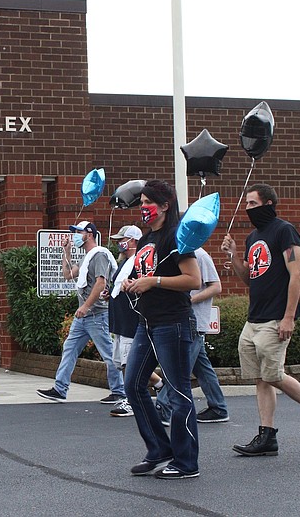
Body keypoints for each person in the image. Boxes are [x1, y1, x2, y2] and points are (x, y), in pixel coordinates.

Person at [221, 183, 300, 456]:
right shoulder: (252, 238)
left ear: (269, 204)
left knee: (273, 374)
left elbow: (296, 274)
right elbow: (249, 278)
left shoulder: (284, 231)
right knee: (262, 378)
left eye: (252, 203)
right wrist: (234, 255)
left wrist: (288, 317)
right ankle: (267, 436)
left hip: (276, 318)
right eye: (247, 204)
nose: (248, 209)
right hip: (255, 317)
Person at [121, 179, 202, 480]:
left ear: (165, 205)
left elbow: (192, 279)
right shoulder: (145, 240)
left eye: (147, 202)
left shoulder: (177, 236)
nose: (142, 207)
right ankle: (158, 449)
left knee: (179, 393)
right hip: (148, 321)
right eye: (140, 202)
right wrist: (135, 284)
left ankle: (186, 462)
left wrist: (152, 282)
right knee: (133, 385)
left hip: (173, 323)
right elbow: (148, 275)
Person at [37, 221, 125, 404]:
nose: (75, 235)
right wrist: (66, 253)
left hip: (97, 314)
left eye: (78, 232)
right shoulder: (86, 258)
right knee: (69, 349)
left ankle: (119, 391)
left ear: (89, 234)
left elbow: (101, 283)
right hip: (84, 317)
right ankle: (60, 389)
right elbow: (68, 274)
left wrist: (85, 307)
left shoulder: (99, 255)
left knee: (108, 353)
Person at [156, 247, 229, 425]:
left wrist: (192, 299)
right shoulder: (179, 252)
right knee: (201, 366)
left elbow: (216, 286)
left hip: (194, 320)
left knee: (179, 366)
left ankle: (163, 406)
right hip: (183, 317)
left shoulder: (201, 255)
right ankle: (218, 407)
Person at [107, 224, 164, 418]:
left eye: (122, 240)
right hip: (120, 321)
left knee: (128, 363)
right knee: (123, 361)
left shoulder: (138, 262)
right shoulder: (124, 262)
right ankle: (159, 384)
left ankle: (131, 400)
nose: (119, 244)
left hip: (131, 321)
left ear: (133, 241)